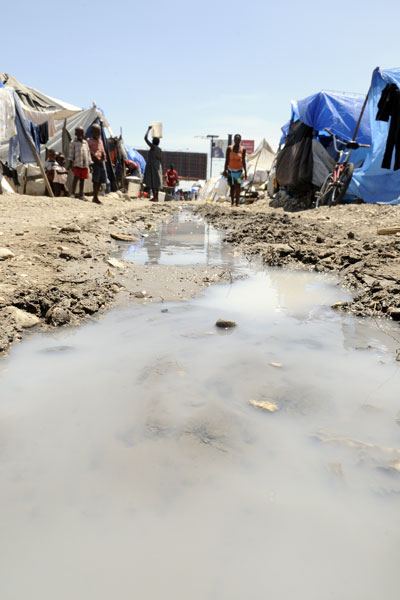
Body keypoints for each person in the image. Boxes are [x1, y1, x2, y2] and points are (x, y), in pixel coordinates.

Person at [68, 127, 92, 200]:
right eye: (78, 133)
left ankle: (81, 194)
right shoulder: (73, 143)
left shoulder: (85, 143)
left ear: (84, 134)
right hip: (77, 164)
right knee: (76, 178)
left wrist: (90, 165)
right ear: (75, 134)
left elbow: (88, 154)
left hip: (85, 165)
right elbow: (71, 154)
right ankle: (72, 193)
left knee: (82, 179)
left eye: (82, 133)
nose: (80, 134)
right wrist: (70, 163)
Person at [223, 133, 247, 206]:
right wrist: (225, 170)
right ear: (234, 140)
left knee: (238, 187)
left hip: (239, 171)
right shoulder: (229, 148)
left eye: (239, 139)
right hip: (230, 170)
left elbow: (243, 161)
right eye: (236, 139)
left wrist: (245, 172)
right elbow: (227, 160)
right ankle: (232, 202)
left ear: (240, 140)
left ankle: (237, 203)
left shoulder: (243, 149)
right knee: (232, 187)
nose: (237, 140)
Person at [87, 123, 107, 204]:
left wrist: (104, 158)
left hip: (101, 162)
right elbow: (88, 151)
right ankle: (95, 197)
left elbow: (102, 150)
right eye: (96, 132)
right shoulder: (89, 141)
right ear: (92, 132)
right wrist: (94, 157)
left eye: (99, 132)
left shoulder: (100, 141)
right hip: (95, 161)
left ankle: (96, 196)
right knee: (96, 179)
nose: (98, 134)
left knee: (101, 179)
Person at [143, 125, 163, 201]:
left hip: (152, 166)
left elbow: (145, 138)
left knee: (153, 181)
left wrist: (148, 130)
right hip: (158, 166)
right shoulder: (160, 149)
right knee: (156, 182)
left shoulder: (153, 147)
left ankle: (155, 197)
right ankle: (156, 197)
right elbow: (160, 159)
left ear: (153, 142)